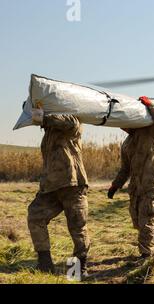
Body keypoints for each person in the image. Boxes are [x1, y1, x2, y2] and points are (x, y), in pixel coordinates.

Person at [27, 108, 90, 278]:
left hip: (73, 185)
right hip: (50, 188)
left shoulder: (72, 125)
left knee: (77, 226)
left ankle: (77, 270)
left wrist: (44, 116)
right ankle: (45, 263)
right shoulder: (48, 135)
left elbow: (71, 122)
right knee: (35, 216)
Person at [108, 98, 154, 258]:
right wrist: (115, 186)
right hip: (136, 188)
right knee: (139, 223)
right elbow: (125, 169)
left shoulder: (151, 133)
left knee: (146, 222)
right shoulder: (127, 143)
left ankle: (146, 256)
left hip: (152, 184)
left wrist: (150, 105)